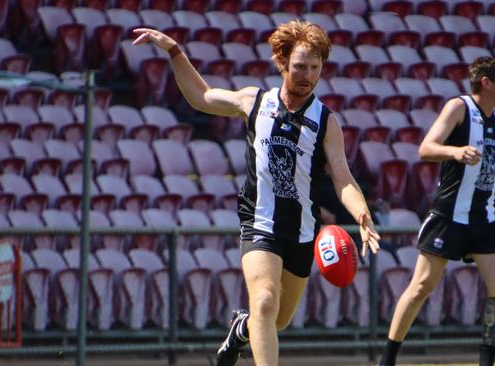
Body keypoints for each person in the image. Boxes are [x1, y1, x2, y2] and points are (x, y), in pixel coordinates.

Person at [131, 21, 381, 366]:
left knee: (277, 320)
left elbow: (342, 176)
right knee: (264, 301)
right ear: (283, 64)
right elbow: (201, 96)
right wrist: (174, 50)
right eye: (299, 67)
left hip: (301, 232)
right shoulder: (255, 101)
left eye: (314, 67)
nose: (307, 75)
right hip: (259, 222)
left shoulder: (326, 122)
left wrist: (362, 215)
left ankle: (240, 330)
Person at [377, 57, 495, 366]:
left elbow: (493, 163)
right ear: (486, 82)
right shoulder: (458, 108)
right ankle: (387, 359)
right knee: (422, 286)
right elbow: (426, 148)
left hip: (485, 218)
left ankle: (486, 362)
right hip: (450, 214)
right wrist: (455, 151)